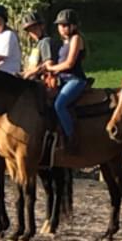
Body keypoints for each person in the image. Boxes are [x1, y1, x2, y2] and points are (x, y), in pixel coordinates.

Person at [44, 9, 88, 149]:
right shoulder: (63, 42)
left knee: (60, 104)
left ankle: (71, 138)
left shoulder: (76, 39)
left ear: (73, 26)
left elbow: (69, 63)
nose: (61, 28)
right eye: (59, 25)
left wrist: (51, 68)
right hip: (62, 80)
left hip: (75, 79)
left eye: (64, 25)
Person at [20, 11, 59, 80]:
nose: (33, 32)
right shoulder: (37, 45)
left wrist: (30, 73)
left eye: (35, 28)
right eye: (30, 30)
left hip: (43, 80)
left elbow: (48, 64)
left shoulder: (45, 42)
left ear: (42, 26)